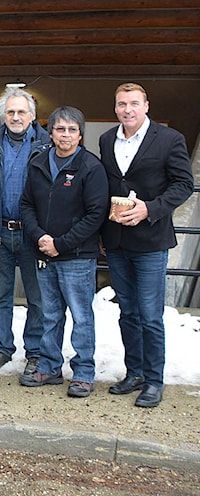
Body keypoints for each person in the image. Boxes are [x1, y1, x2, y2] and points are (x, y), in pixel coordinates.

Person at [99, 83, 194, 408]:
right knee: (127, 312)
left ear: (146, 106)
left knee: (151, 315)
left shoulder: (169, 140)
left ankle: (154, 381)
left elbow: (184, 184)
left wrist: (150, 209)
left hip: (151, 240)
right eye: (122, 104)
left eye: (134, 104)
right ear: (115, 108)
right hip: (117, 240)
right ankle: (134, 372)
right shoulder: (107, 139)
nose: (128, 109)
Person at [20, 107, 108, 398]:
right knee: (50, 314)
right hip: (44, 252)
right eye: (60, 129)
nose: (65, 135)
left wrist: (62, 243)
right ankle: (49, 366)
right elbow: (27, 205)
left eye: (71, 130)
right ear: (51, 132)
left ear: (80, 134)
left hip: (77, 257)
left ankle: (83, 373)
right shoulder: (38, 163)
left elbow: (96, 214)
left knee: (81, 317)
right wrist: (41, 237)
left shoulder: (90, 167)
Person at [0, 88, 49, 375]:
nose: (15, 117)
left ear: (32, 115)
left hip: (33, 235)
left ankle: (36, 351)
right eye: (11, 112)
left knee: (36, 297)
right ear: (4, 115)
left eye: (21, 112)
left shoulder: (46, 145)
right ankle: (3, 347)